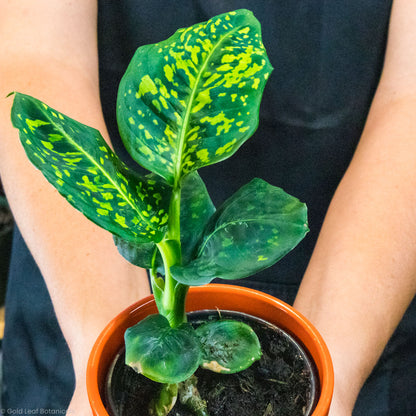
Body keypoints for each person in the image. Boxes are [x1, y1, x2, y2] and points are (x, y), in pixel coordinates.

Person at [0, 1, 415, 415]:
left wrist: (330, 379)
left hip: (362, 280)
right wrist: (105, 343)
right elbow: (37, 53)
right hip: (84, 277)